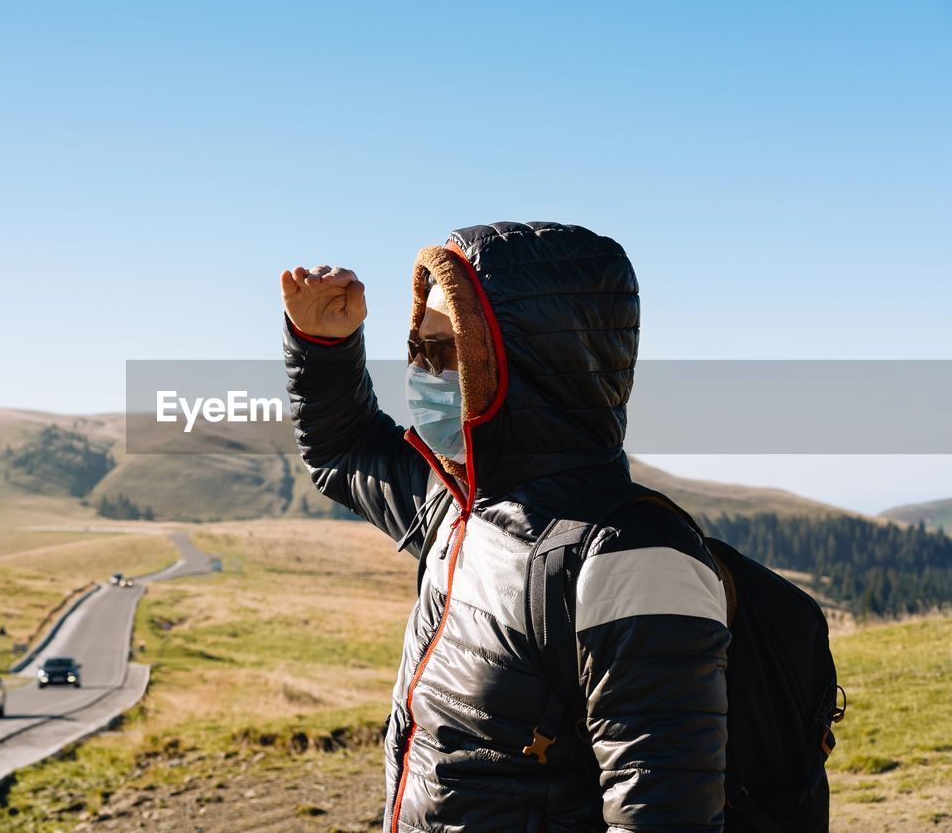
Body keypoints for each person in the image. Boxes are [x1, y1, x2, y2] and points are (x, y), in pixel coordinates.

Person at [280, 221, 731, 832]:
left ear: (522, 364)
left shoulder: (631, 552)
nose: (420, 370)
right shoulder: (458, 503)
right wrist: (323, 344)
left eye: (444, 349)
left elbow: (662, 817)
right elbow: (342, 450)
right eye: (416, 346)